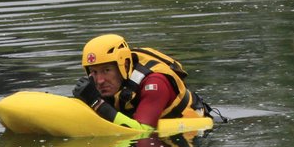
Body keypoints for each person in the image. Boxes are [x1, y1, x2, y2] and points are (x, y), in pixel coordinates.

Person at [70, 34, 212, 134]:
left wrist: (97, 103)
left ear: (124, 66)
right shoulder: (109, 81)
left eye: (106, 70)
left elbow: (141, 132)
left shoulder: (155, 83)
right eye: (94, 72)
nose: (100, 80)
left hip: (188, 134)